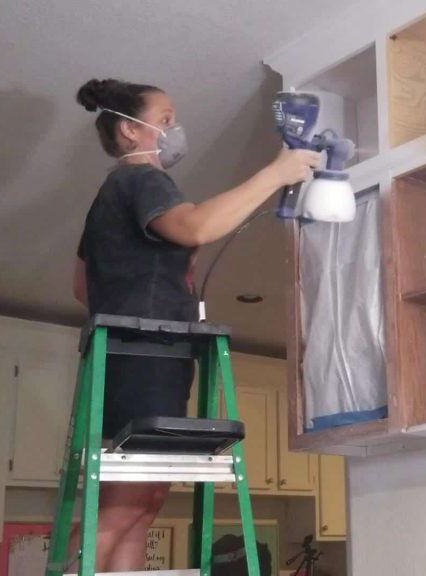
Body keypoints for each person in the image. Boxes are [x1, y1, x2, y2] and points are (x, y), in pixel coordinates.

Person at [70, 78, 320, 571]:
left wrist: (153, 284)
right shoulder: (141, 179)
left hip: (137, 354)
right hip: (146, 354)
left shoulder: (112, 194)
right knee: (124, 505)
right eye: (164, 121)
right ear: (130, 130)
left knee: (142, 506)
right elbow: (197, 226)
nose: (174, 130)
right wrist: (276, 173)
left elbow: (82, 286)